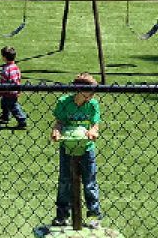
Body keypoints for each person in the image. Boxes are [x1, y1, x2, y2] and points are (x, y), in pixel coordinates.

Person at [51, 73, 103, 228]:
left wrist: (93, 132)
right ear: (79, 90)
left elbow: (95, 125)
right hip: (67, 147)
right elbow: (59, 123)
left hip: (87, 148)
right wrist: (56, 131)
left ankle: (94, 215)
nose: (93, 94)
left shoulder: (92, 104)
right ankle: (62, 215)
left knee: (90, 182)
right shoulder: (64, 102)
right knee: (65, 181)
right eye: (90, 91)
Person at [0, 46, 28, 129]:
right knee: (4, 104)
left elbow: (5, 81)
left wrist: (0, 90)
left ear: (4, 57)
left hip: (8, 91)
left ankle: (22, 120)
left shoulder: (6, 69)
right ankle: (5, 116)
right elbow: (18, 78)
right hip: (15, 90)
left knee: (13, 106)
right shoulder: (15, 67)